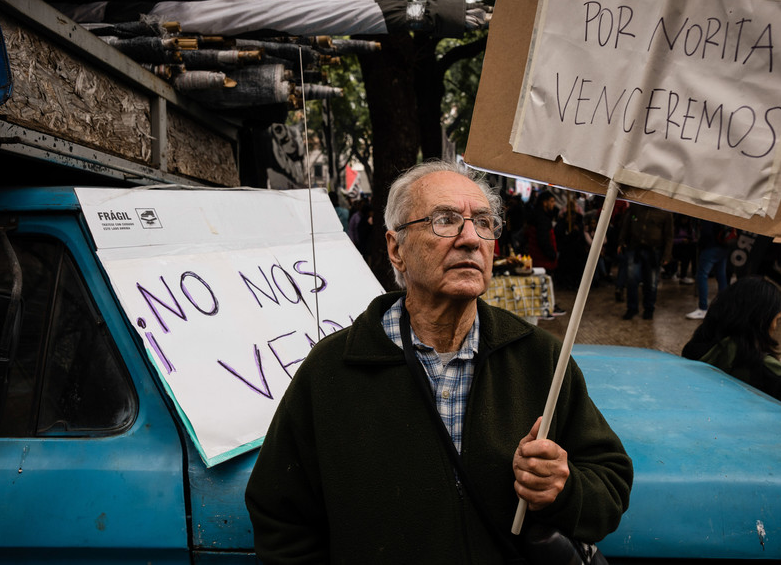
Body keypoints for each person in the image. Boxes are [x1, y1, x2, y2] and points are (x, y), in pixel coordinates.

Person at [245, 160, 633, 563]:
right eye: (445, 220)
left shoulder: (538, 357)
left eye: (483, 222)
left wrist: (563, 490)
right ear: (397, 249)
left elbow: (610, 485)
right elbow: (280, 518)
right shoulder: (333, 369)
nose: (470, 238)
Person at [681, 276, 781, 432]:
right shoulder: (758, 365)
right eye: (776, 319)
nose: (775, 326)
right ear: (760, 321)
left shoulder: (695, 350)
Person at [617, 203, 673, 320]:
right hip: (635, 248)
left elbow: (669, 236)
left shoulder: (665, 212)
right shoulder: (635, 206)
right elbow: (627, 223)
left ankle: (649, 309)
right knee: (632, 279)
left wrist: (667, 255)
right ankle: (632, 308)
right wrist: (621, 241)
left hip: (654, 251)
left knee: (651, 282)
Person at [686, 220, 732, 320]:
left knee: (702, 275)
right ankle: (723, 306)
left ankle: (703, 308)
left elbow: (706, 232)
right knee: (721, 276)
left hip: (711, 246)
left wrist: (700, 243)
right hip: (724, 245)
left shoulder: (709, 213)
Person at [526, 190, 560, 272]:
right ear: (544, 203)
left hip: (537, 259)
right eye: (551, 201)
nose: (553, 204)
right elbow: (543, 240)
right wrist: (552, 255)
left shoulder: (537, 216)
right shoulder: (542, 219)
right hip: (543, 261)